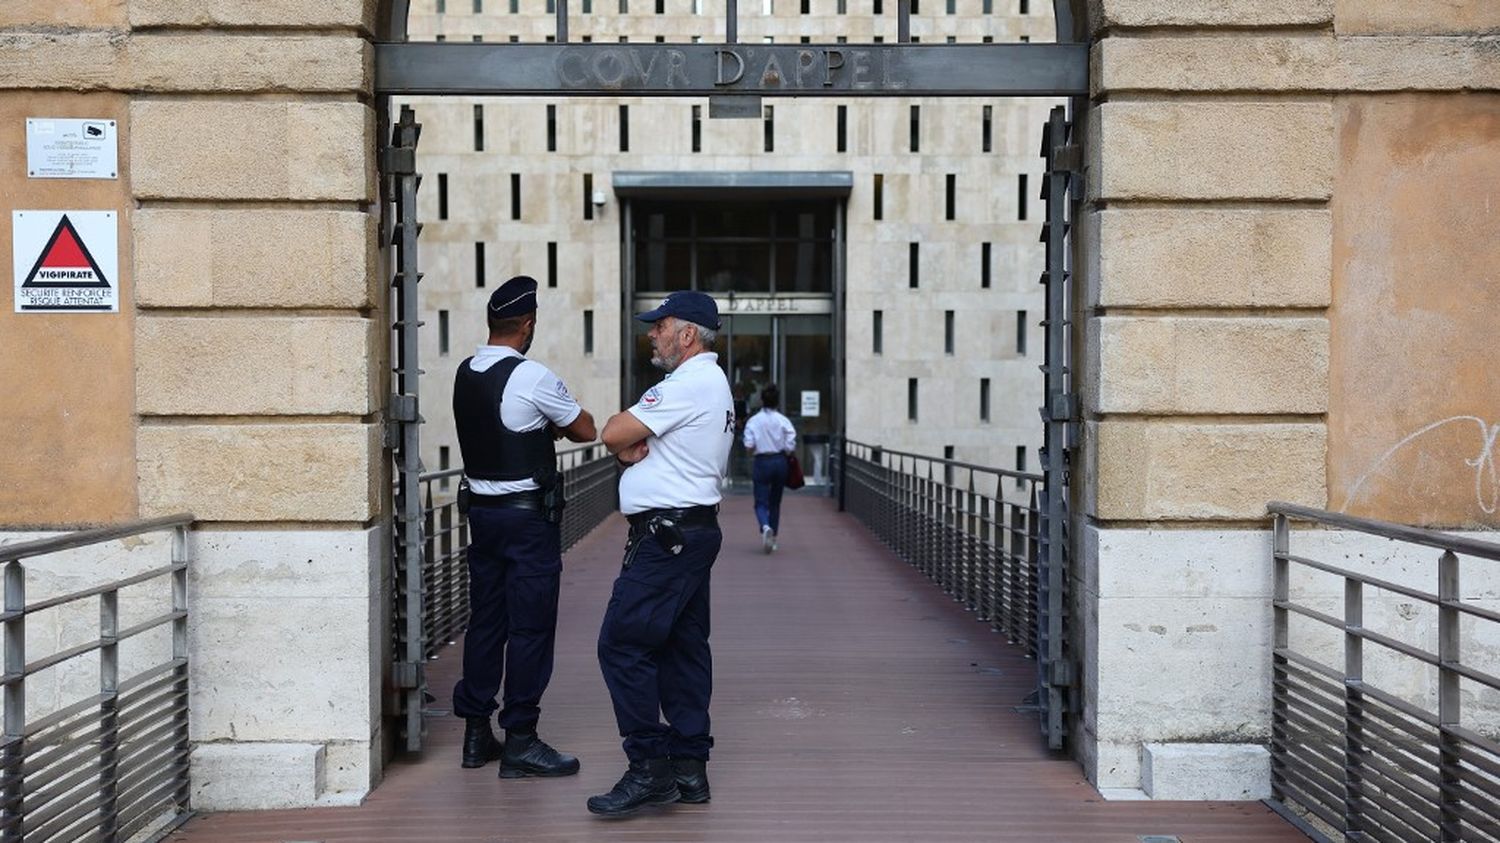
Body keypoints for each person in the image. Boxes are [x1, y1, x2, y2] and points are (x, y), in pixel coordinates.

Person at [589, 290, 734, 817]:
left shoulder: (688, 383)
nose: (652, 332)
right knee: (683, 648)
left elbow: (613, 431)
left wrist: (623, 444)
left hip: (667, 539)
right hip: (691, 532)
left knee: (621, 645)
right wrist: (630, 450)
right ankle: (690, 770)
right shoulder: (710, 383)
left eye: (661, 325)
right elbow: (630, 443)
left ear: (688, 334)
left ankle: (649, 768)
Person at [450, 275, 597, 779]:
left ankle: (475, 734)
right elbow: (585, 428)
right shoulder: (532, 376)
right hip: (526, 521)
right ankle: (521, 740)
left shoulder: (465, 372)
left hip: (482, 519)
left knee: (486, 622)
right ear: (527, 325)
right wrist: (551, 422)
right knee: (530, 627)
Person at [742, 383, 797, 553]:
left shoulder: (754, 421)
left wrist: (753, 449)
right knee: (775, 501)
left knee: (760, 501)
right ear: (777, 402)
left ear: (761, 400)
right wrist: (786, 449)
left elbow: (749, 445)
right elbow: (791, 442)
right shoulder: (783, 420)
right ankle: (773, 538)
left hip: (762, 461)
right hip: (780, 461)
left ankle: (765, 526)